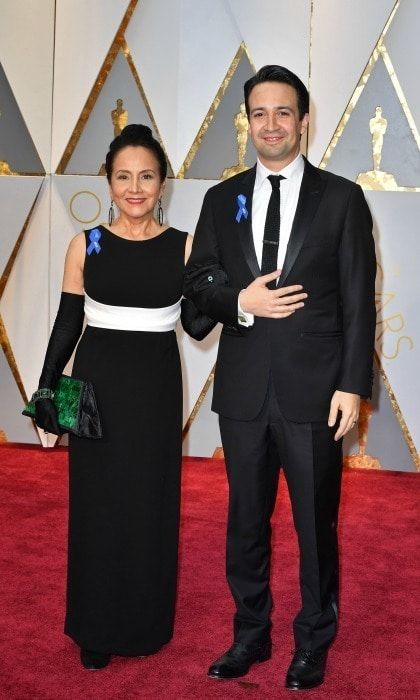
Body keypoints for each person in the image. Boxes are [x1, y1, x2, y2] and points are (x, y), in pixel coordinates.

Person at [184, 65, 376, 690]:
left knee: (315, 525)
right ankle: (250, 634)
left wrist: (352, 385)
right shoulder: (221, 198)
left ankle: (313, 640)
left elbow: (357, 299)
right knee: (245, 521)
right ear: (247, 122)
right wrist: (242, 302)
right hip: (242, 391)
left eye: (283, 112)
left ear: (303, 119)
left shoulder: (343, 199)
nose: (271, 124)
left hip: (316, 393)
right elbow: (196, 291)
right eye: (259, 113)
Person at [33, 124, 194, 670]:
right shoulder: (88, 243)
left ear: (162, 183)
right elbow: (67, 323)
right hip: (92, 384)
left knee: (150, 500)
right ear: (107, 181)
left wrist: (232, 296)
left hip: (156, 386)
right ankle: (95, 626)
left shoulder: (184, 246)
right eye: (123, 176)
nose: (134, 187)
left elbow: (195, 325)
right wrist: (46, 392)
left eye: (146, 176)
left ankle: (146, 622)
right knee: (95, 503)